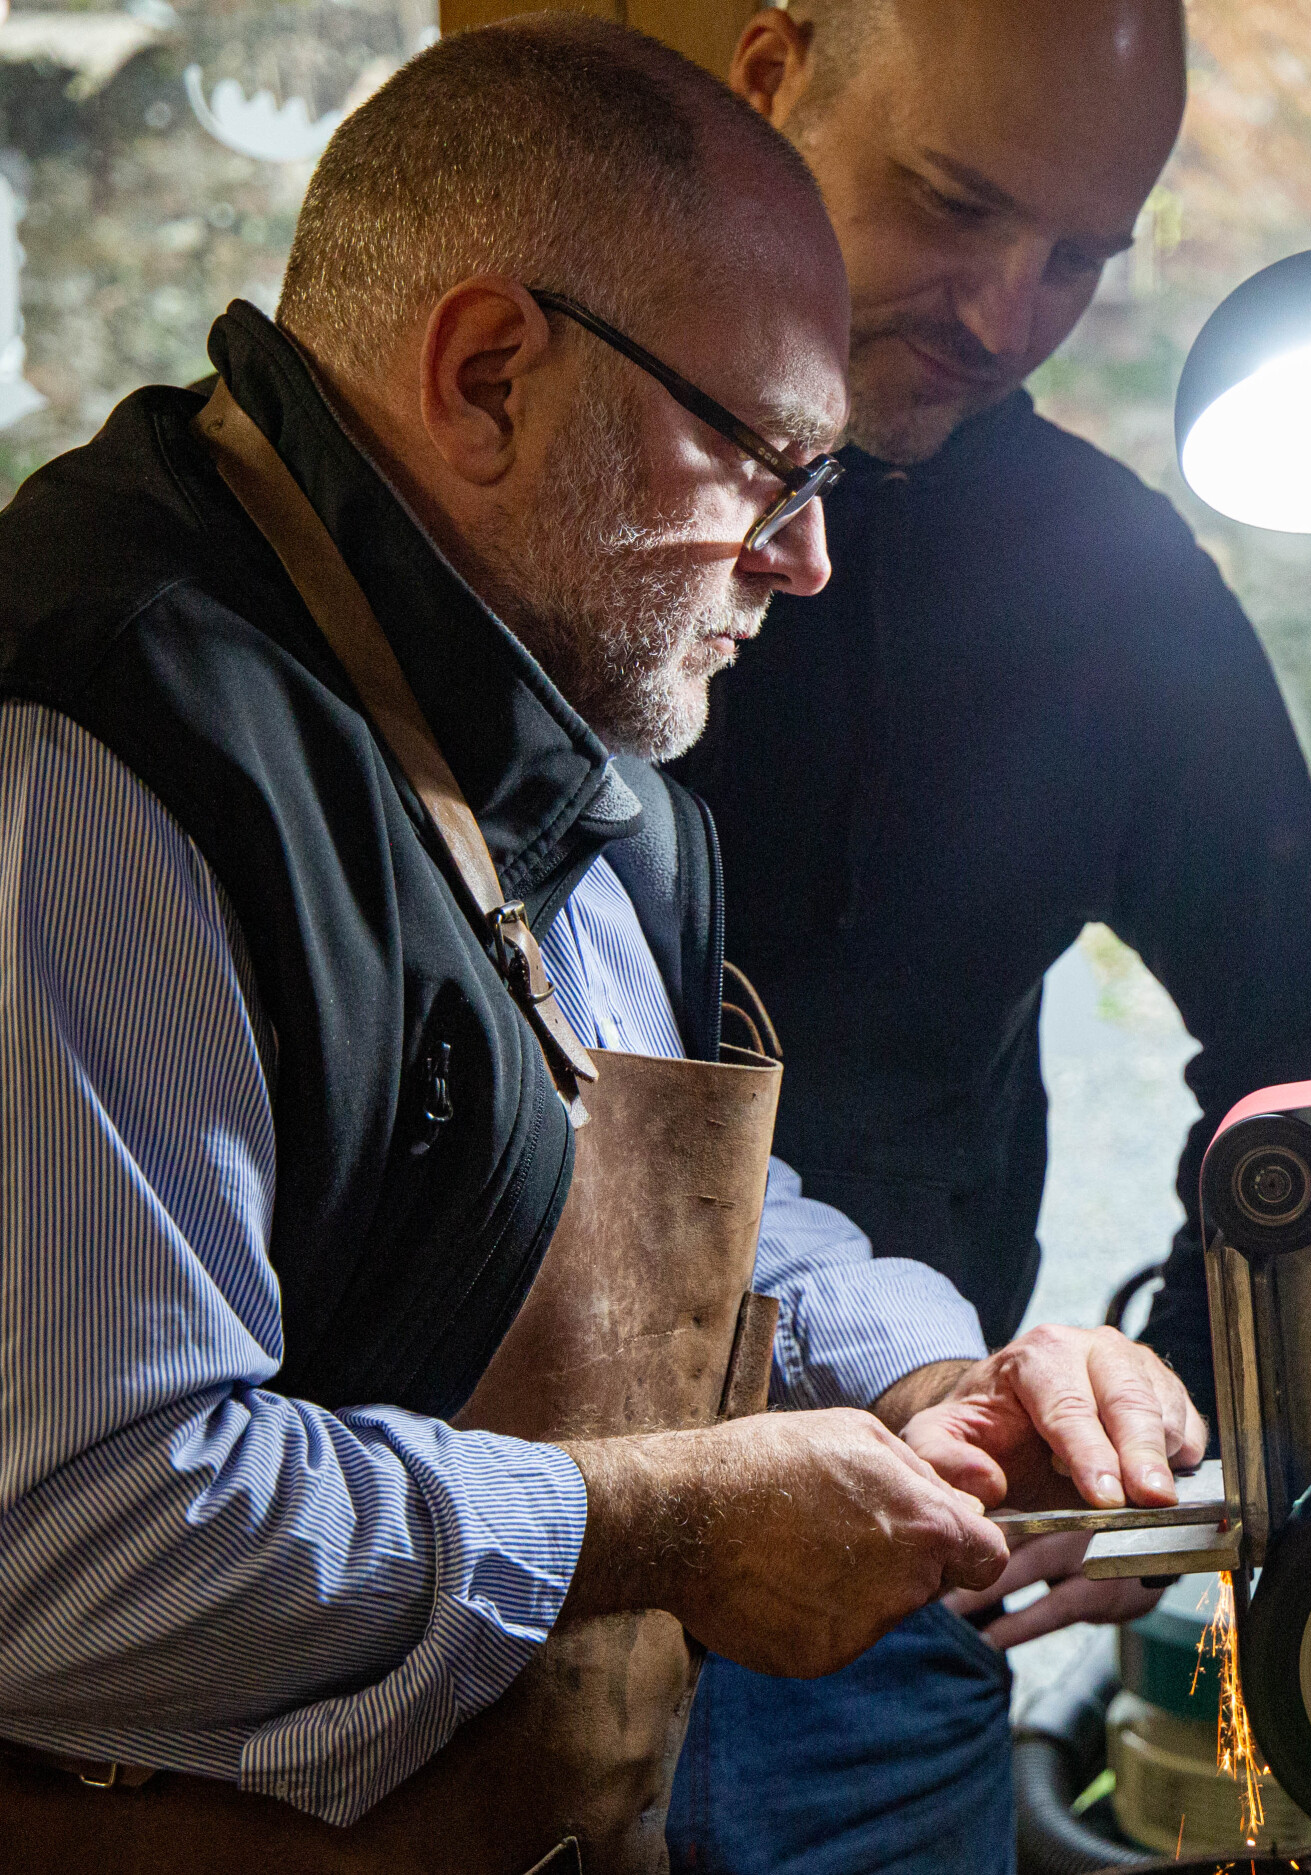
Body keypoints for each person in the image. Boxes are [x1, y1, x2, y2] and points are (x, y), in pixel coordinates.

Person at [0, 18, 1199, 1872]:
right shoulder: (99, 741)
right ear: (487, 375)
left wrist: (929, 1383)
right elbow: (71, 1550)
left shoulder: (533, 720)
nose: (804, 561)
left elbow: (603, 1204)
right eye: (761, 462)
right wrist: (653, 1526)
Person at [659, 4, 1311, 1870]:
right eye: (951, 203)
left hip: (898, 1558)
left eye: (1079, 257)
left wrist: (1164, 1412)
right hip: (463, 1545)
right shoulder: (540, 499)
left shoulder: (1111, 587)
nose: (1007, 313)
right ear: (774, 77)